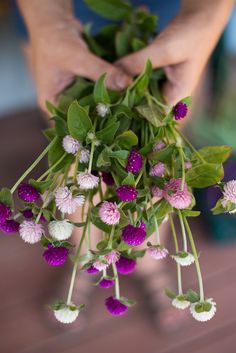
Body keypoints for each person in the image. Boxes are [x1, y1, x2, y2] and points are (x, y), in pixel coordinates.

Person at [17, 0, 234, 330]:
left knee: (162, 164)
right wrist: (47, 21)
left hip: (172, 15)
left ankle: (149, 259)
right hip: (57, 15)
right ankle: (85, 257)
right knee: (75, 160)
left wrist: (204, 16)